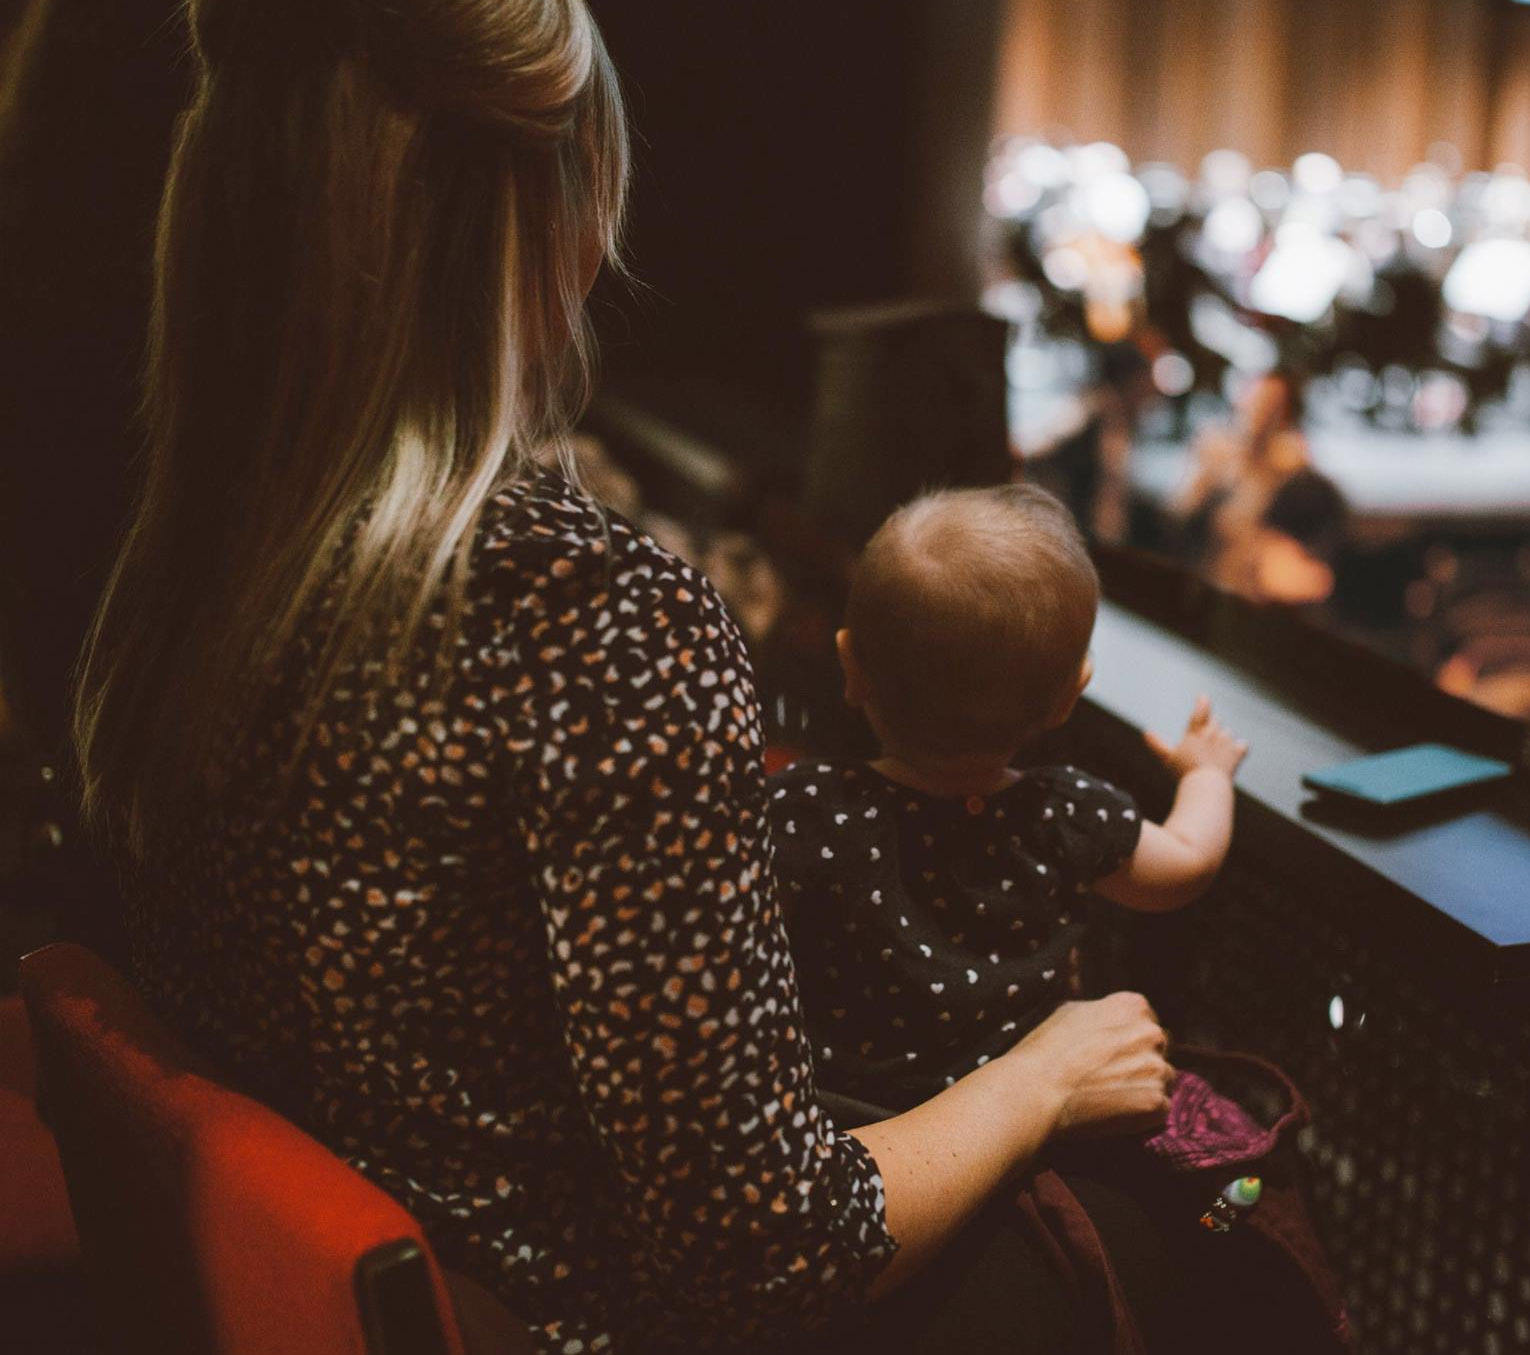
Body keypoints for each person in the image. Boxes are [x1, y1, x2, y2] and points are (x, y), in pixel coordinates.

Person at [69, 3, 1171, 1351]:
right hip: (581, 1317)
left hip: (382, 1282)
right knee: (1204, 1250)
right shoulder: (595, 615)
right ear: (555, 213)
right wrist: (1046, 1068)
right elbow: (770, 1247)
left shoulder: (184, 565)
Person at [771, 485, 1246, 1111]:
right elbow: (1186, 864)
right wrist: (1206, 773)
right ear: (1067, 698)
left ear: (850, 667)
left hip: (852, 1122)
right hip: (1034, 1127)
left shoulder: (805, 808)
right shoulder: (1067, 815)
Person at [1170, 371, 1346, 607]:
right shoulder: (1216, 452)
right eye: (1256, 402)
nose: (1260, 413)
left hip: (1262, 591)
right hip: (1211, 581)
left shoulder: (1290, 464)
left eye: (1273, 406)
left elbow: (1304, 530)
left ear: (1284, 415)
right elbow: (1184, 512)